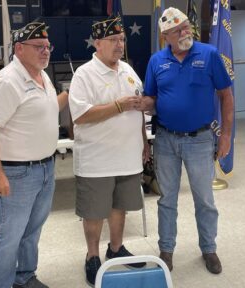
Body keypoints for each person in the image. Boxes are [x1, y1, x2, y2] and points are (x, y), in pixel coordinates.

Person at [139, 7, 234, 274]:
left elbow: (226, 95)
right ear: (165, 36)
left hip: (200, 140)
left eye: (186, 27)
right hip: (166, 140)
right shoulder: (156, 61)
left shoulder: (209, 54)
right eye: (177, 30)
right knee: (167, 198)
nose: (184, 32)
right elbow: (151, 100)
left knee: (204, 199)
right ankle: (166, 250)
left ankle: (209, 248)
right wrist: (139, 110)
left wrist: (225, 134)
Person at [0, 22, 69, 288]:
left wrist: (70, 95)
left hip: (45, 169)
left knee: (32, 231)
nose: (45, 51)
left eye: (47, 46)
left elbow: (48, 108)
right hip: (17, 173)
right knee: (11, 236)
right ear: (19, 49)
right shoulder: (8, 81)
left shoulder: (42, 76)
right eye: (38, 47)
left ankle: (25, 276)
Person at [69, 14, 150, 286]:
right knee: (94, 211)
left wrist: (144, 142)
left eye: (122, 39)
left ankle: (116, 248)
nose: (119, 45)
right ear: (98, 44)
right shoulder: (84, 74)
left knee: (120, 207)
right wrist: (118, 106)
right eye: (113, 40)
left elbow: (138, 109)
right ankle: (92, 256)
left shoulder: (128, 71)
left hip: (128, 156)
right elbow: (79, 115)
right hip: (97, 159)